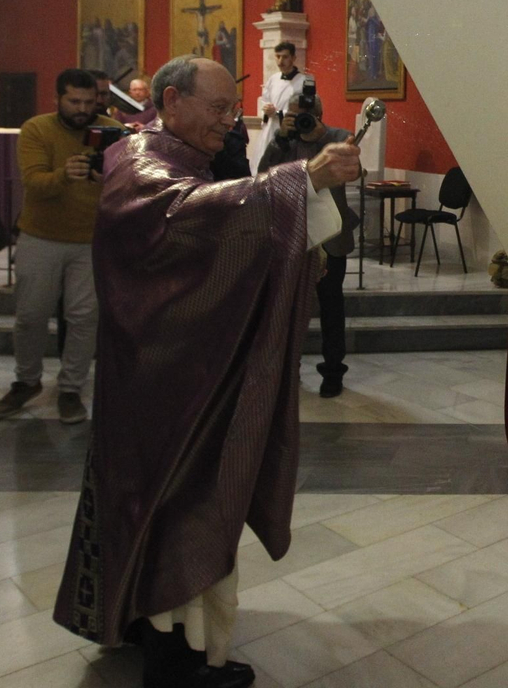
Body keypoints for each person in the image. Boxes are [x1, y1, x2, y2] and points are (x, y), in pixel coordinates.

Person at [52, 56, 360, 688]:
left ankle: (149, 622)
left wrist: (292, 240)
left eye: (232, 107)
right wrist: (301, 181)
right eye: (219, 108)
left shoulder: (176, 155)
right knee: (179, 500)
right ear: (171, 102)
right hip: (164, 383)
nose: (231, 120)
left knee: (156, 502)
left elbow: (216, 237)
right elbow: (189, 215)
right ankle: (176, 661)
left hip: (173, 371)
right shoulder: (143, 164)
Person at [0, 68, 114, 424]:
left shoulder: (112, 131)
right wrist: (65, 174)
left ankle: (71, 389)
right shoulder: (36, 129)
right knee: (30, 315)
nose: (82, 109)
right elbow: (34, 182)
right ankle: (26, 381)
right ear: (57, 99)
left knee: (84, 318)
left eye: (89, 102)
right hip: (40, 236)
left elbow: (128, 183)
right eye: (74, 101)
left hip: (90, 240)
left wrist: (110, 176)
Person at [259, 95, 360, 397]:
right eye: (293, 115)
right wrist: (280, 138)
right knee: (287, 309)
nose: (300, 121)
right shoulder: (283, 142)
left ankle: (333, 373)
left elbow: (351, 166)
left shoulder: (338, 137)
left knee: (331, 307)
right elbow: (262, 176)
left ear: (319, 116)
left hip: (330, 238)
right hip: (291, 235)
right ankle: (289, 371)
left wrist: (322, 137)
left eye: (306, 116)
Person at [252, 42, 307, 169]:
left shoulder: (303, 81)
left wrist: (277, 113)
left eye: (285, 57)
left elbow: (303, 110)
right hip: (269, 129)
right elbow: (265, 100)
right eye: (277, 56)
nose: (280, 61)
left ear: (293, 58)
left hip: (288, 131)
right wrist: (266, 109)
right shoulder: (273, 79)